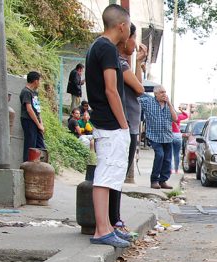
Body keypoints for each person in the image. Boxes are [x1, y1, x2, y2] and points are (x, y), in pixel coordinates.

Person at [85, 3, 132, 247]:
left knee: (107, 175)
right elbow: (111, 90)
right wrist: (123, 124)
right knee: (105, 176)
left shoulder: (96, 46)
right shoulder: (108, 49)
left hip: (103, 120)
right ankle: (102, 229)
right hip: (110, 122)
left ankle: (106, 227)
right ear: (122, 26)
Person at [113, 22, 147, 228]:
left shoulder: (123, 62)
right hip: (124, 125)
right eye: (134, 38)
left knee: (120, 174)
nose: (135, 45)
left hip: (129, 124)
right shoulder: (117, 60)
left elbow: (137, 87)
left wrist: (138, 62)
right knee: (117, 175)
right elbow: (139, 88)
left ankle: (114, 219)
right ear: (125, 35)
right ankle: (113, 220)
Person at [139, 85, 177, 189]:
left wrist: (169, 103)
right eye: (161, 92)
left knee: (167, 160)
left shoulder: (169, 105)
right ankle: (154, 180)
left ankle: (163, 180)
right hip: (154, 136)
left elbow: (175, 118)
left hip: (167, 137)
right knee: (160, 155)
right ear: (155, 94)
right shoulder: (148, 102)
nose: (164, 94)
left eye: (165, 92)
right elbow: (136, 97)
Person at [19, 71, 46, 162]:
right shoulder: (26, 92)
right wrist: (38, 125)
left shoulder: (35, 93)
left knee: (41, 145)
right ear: (35, 81)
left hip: (36, 121)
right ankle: (27, 166)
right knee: (30, 145)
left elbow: (37, 109)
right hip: (28, 120)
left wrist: (41, 123)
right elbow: (29, 109)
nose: (39, 83)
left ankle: (40, 166)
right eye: (39, 81)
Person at [171, 105, 189, 173]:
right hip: (178, 135)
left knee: (170, 154)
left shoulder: (168, 117)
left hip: (170, 135)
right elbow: (186, 115)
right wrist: (181, 110)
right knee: (177, 154)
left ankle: (170, 169)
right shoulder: (177, 117)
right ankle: (176, 170)